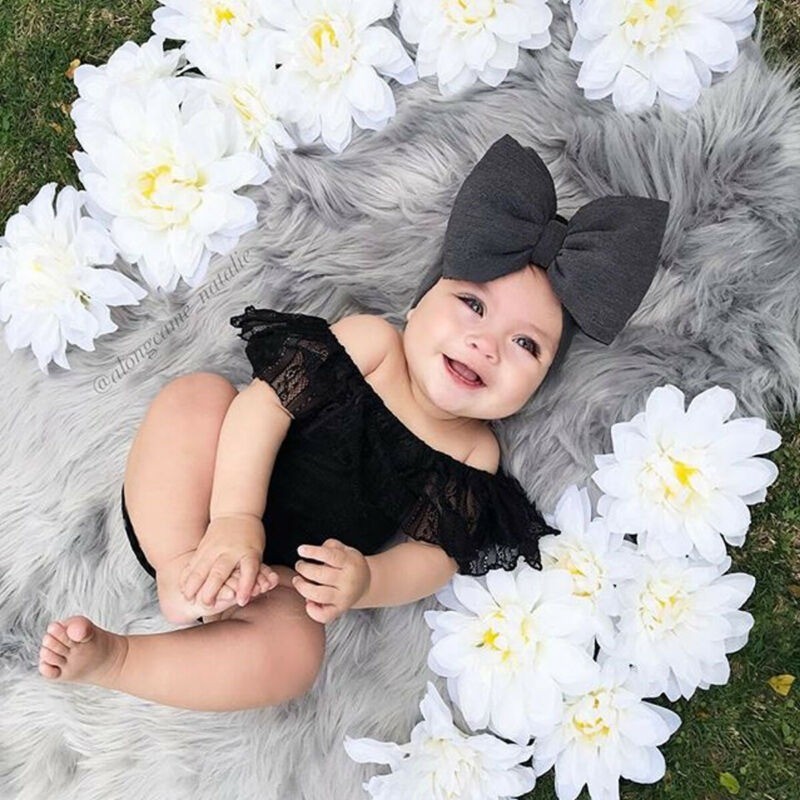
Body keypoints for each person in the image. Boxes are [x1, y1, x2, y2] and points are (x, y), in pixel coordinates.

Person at [35, 135, 669, 712]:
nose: (486, 345)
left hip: (284, 583)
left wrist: (365, 582)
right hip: (208, 502)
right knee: (197, 398)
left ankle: (120, 659)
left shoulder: (474, 456)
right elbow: (262, 408)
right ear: (418, 305)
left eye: (526, 345)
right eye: (472, 305)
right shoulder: (371, 346)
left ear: (541, 384)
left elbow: (434, 559)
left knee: (297, 652)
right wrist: (232, 520)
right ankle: (181, 571)